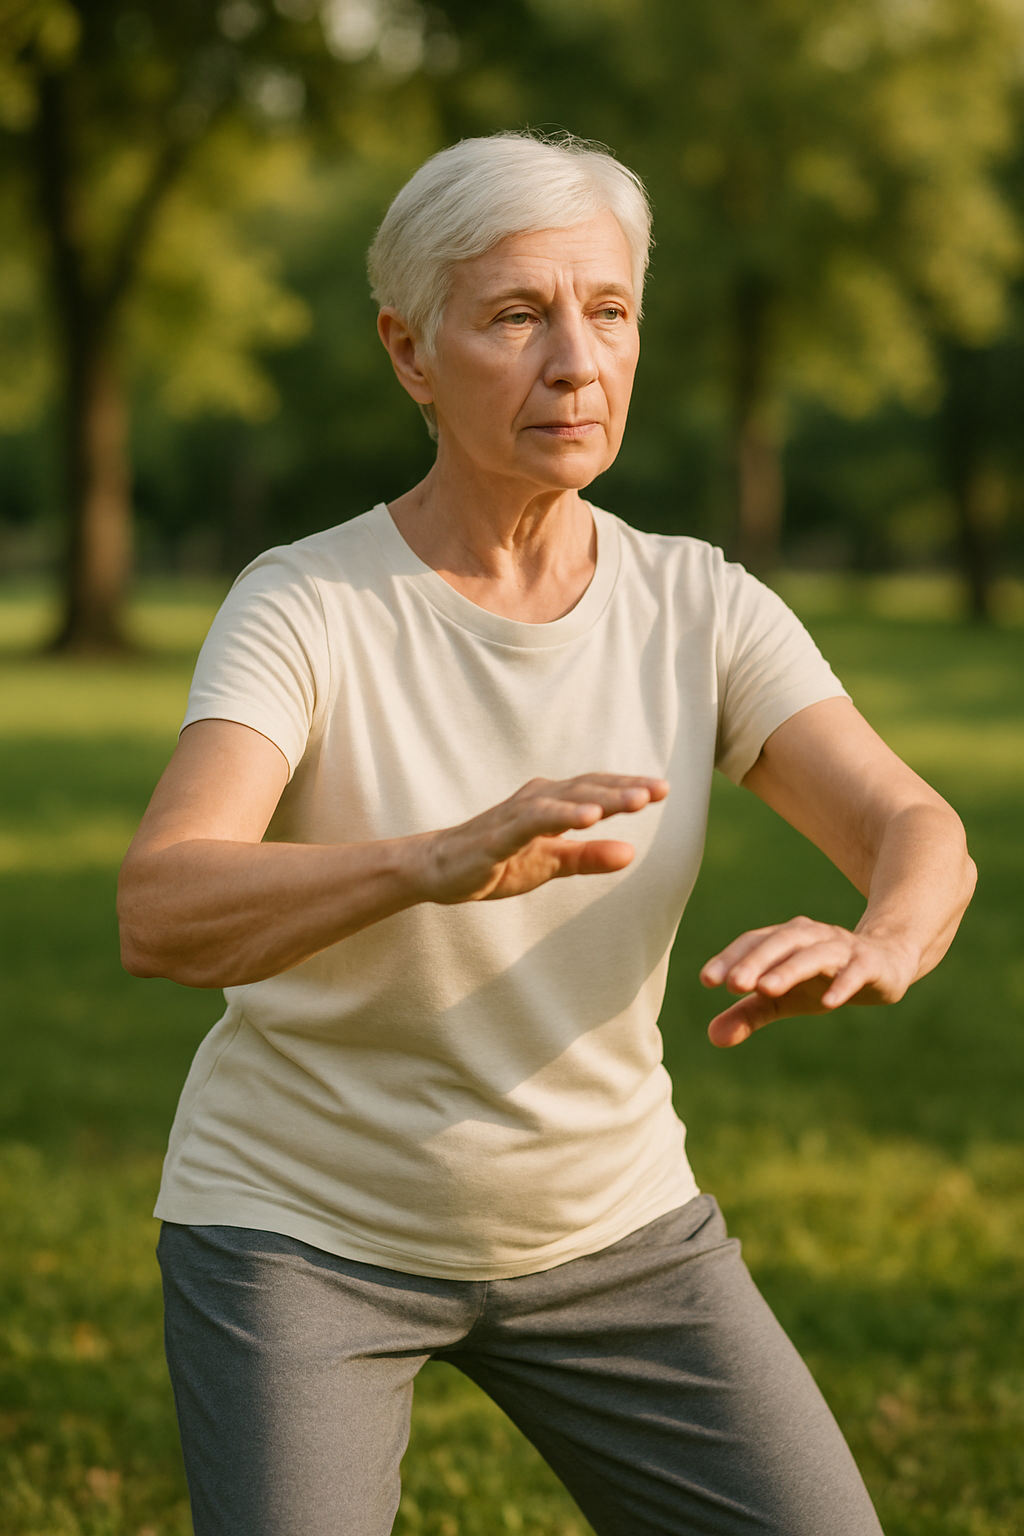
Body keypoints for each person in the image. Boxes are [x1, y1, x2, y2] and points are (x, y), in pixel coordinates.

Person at [118, 131, 976, 1536]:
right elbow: (161, 905)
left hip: (617, 1232)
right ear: (410, 351)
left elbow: (913, 822)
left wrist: (884, 933)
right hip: (300, 1230)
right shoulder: (308, 606)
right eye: (517, 314)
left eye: (611, 310)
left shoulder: (700, 606)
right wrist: (433, 863)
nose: (575, 360)